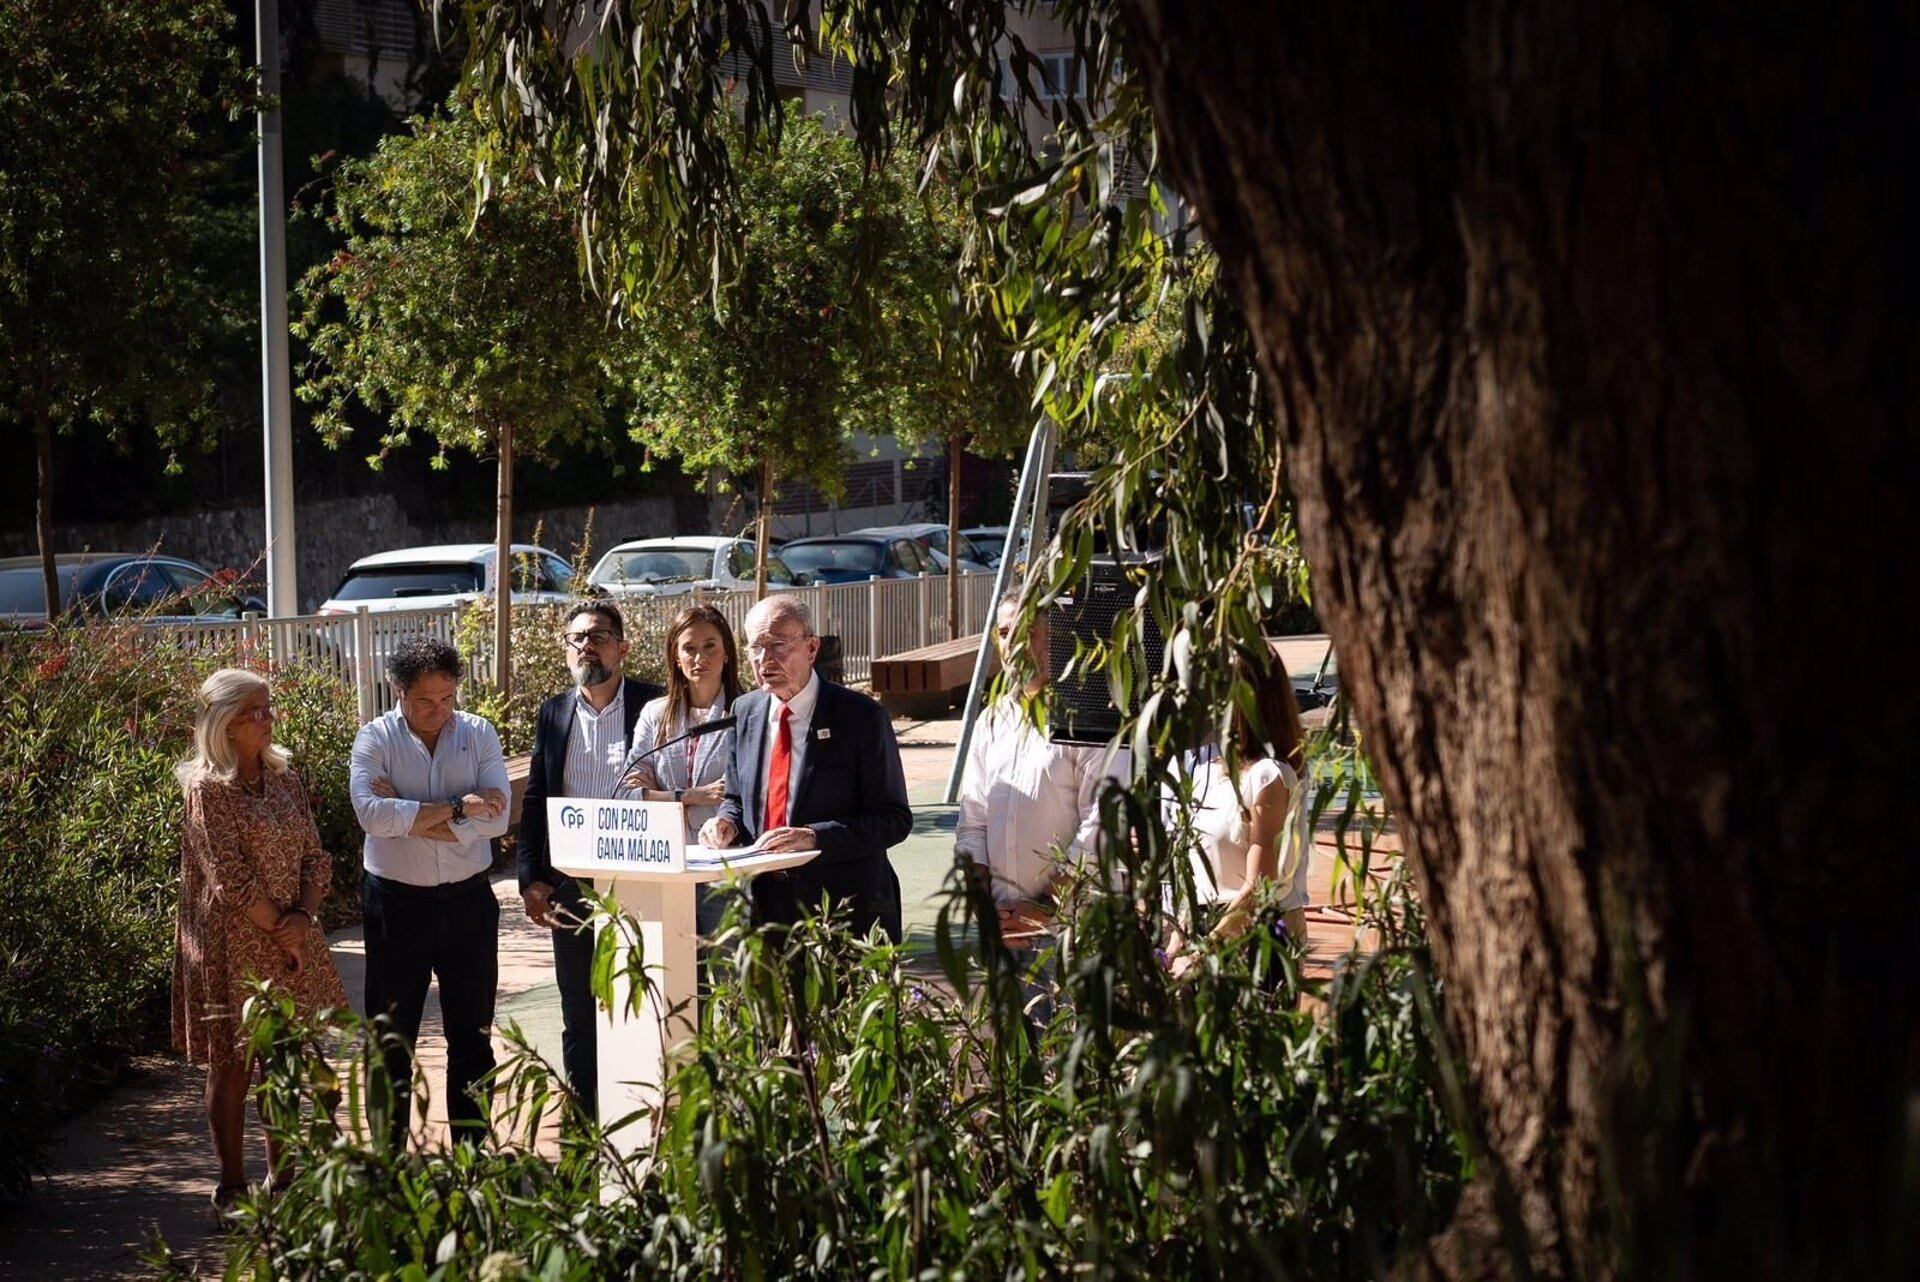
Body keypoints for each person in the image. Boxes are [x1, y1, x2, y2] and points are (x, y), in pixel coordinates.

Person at [172, 668, 348, 1210]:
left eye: (269, 707)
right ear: (223, 724)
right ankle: (230, 1186)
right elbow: (228, 877)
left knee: (286, 1059)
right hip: (233, 941)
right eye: (254, 711)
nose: (267, 719)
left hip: (291, 932)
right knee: (233, 1063)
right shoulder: (208, 790)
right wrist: (283, 928)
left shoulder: (286, 779)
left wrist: (303, 918)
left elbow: (317, 857)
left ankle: (286, 1179)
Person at [349, 635, 510, 1148]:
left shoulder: (479, 733)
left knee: (472, 1035)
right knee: (391, 1035)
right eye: (425, 700)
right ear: (398, 691)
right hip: (396, 904)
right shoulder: (374, 740)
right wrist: (462, 807)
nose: (438, 710)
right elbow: (370, 815)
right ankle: (387, 1155)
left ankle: (472, 1150)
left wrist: (413, 812)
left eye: (447, 697)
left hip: (468, 902)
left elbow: (500, 814)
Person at [515, 602, 663, 1119]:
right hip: (573, 885)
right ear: (566, 649)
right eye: (577, 637)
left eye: (599, 636)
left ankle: (645, 1117)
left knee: (644, 1001)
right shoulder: (553, 712)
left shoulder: (655, 705)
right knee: (579, 1010)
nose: (587, 646)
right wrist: (531, 877)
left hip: (642, 880)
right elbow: (537, 798)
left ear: (622, 648)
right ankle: (584, 1119)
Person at [699, 595, 911, 941]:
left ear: (811, 648)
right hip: (763, 911)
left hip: (843, 912)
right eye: (756, 647)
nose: (764, 659)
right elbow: (737, 799)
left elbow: (894, 819)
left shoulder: (860, 716)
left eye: (778, 645)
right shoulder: (745, 711)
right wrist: (726, 824)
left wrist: (815, 837)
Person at [955, 594, 1124, 946]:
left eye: (1027, 631)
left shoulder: (1088, 719)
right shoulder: (991, 721)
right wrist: (984, 906)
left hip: (1075, 934)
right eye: (1004, 633)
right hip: (1004, 932)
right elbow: (972, 823)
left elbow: (1103, 826)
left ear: (1056, 635)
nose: (1013, 643)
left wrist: (1045, 909)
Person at [1165, 658, 1313, 978]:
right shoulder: (1201, 765)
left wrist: (1204, 953)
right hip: (1206, 932)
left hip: (1259, 940)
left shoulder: (1269, 775)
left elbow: (1259, 887)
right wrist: (1178, 941)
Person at [614, 603, 742, 939]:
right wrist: (690, 797)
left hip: (726, 864)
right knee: (674, 975)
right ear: (675, 656)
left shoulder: (747, 711)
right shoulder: (655, 714)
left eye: (710, 646)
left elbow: (742, 789)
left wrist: (654, 791)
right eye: (689, 648)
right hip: (667, 861)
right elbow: (627, 792)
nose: (700, 658)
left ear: (727, 652)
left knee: (729, 975)